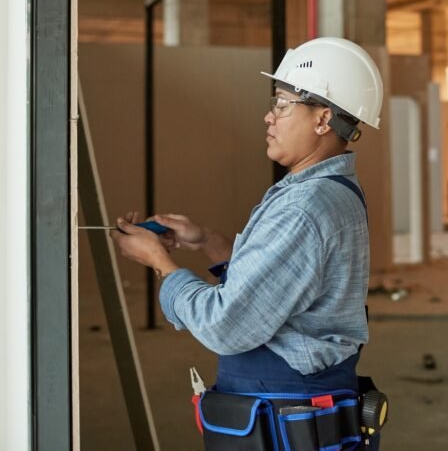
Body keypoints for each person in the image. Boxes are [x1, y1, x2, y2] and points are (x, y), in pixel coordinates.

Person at [112, 36, 385, 450]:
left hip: (285, 414)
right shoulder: (329, 190)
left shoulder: (304, 208)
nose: (268, 117)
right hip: (299, 408)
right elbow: (279, 283)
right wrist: (207, 240)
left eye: (282, 103)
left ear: (323, 118)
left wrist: (160, 264)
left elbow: (227, 325)